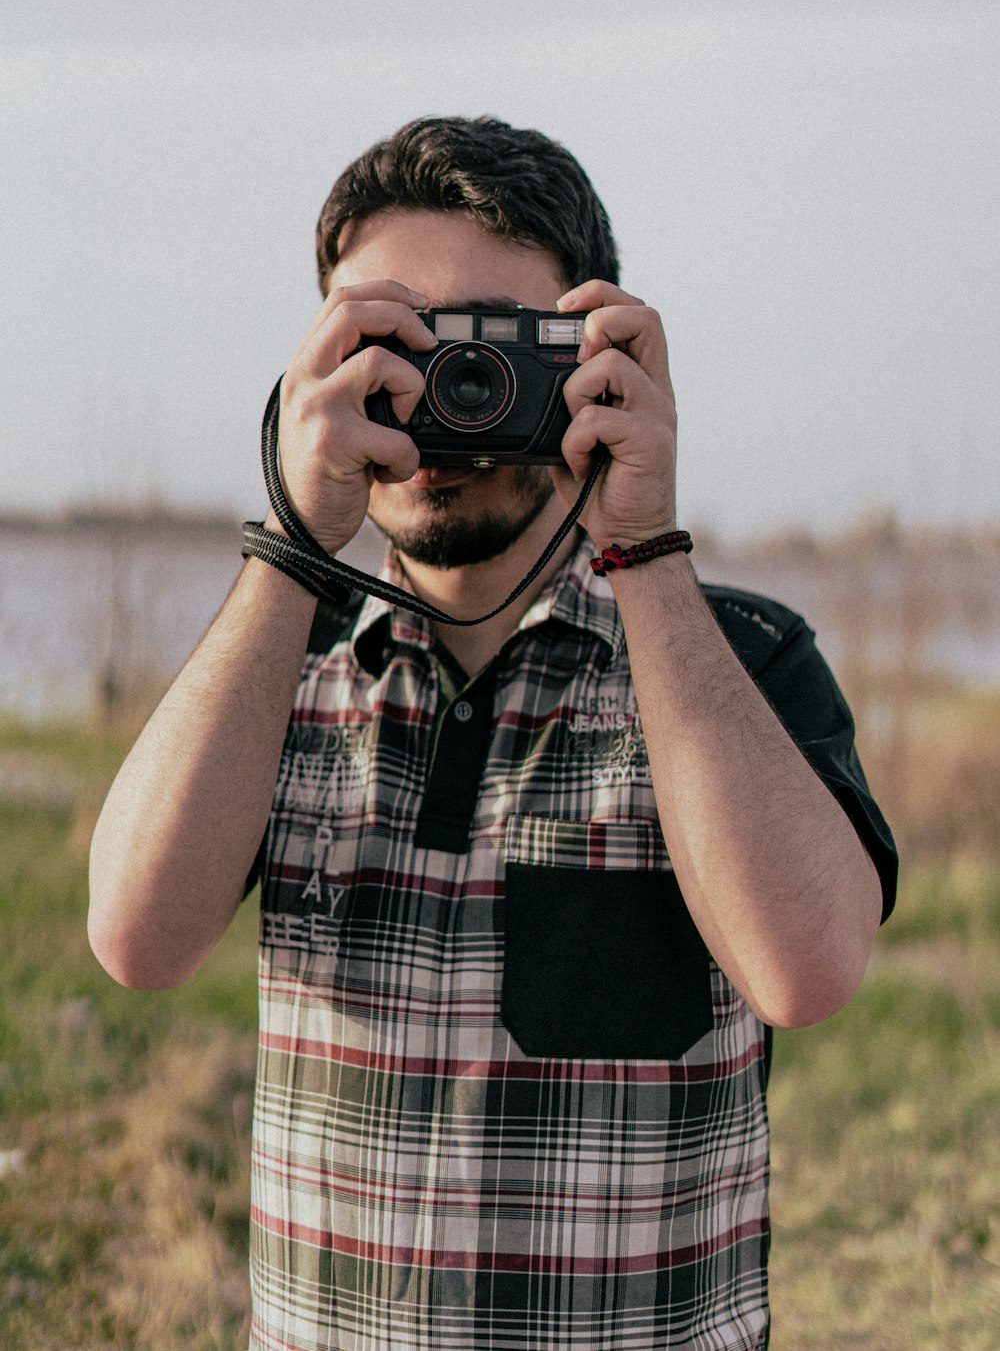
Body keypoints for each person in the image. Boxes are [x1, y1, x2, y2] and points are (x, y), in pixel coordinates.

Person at [89, 116, 897, 1351]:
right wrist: (294, 544)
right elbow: (134, 939)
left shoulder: (733, 661)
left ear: (597, 359)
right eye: (388, 344)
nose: (439, 399)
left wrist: (644, 547)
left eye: (488, 347)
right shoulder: (279, 667)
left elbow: (808, 970)